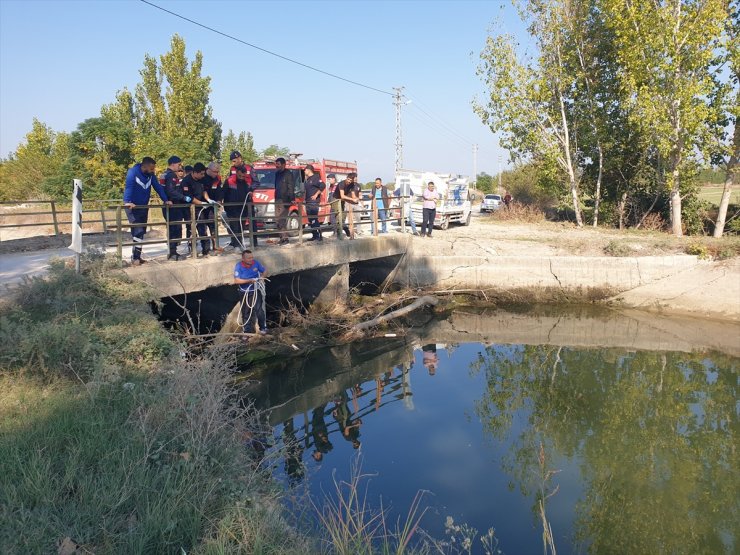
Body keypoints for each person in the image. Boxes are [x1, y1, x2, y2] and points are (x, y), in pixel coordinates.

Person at [123, 157, 171, 265]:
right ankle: (135, 257)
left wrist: (166, 200)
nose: (153, 170)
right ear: (144, 166)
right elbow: (129, 187)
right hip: (132, 206)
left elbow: (158, 187)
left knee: (141, 232)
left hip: (143, 206)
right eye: (151, 168)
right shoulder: (133, 172)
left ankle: (137, 257)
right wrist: (127, 201)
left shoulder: (150, 176)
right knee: (137, 231)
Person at [233, 249, 268, 335]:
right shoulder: (238, 266)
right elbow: (236, 281)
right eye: (248, 258)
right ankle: (247, 332)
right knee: (246, 312)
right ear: (243, 259)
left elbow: (264, 270)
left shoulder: (256, 263)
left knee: (259, 310)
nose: (251, 259)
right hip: (244, 292)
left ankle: (263, 328)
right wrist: (249, 280)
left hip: (255, 290)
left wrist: (262, 278)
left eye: (252, 257)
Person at [180, 162, 211, 256]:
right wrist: (201, 203)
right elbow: (189, 197)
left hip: (199, 208)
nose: (203, 175)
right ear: (195, 172)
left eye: (203, 174)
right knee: (191, 229)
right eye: (201, 174)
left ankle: (206, 250)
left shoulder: (202, 179)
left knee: (202, 228)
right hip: (189, 208)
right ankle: (193, 250)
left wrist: (208, 199)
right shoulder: (186, 181)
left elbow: (204, 190)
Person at [159, 155, 187, 261]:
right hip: (173, 205)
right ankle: (172, 253)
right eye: (179, 164)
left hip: (167, 204)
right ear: (173, 164)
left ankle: (172, 251)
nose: (180, 166)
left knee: (172, 228)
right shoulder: (171, 176)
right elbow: (171, 191)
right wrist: (183, 197)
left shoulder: (164, 174)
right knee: (174, 228)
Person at [225, 164, 257, 249]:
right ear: (237, 173)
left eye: (243, 176)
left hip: (243, 208)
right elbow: (223, 192)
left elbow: (248, 192)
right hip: (232, 208)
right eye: (240, 175)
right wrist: (220, 201)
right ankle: (235, 245)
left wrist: (250, 194)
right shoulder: (229, 181)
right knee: (234, 226)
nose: (241, 177)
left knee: (241, 227)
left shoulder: (246, 183)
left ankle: (240, 243)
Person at [202, 161, 224, 253]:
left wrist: (219, 200)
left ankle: (215, 246)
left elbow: (219, 190)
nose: (216, 173)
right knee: (202, 228)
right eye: (215, 171)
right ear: (209, 169)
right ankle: (205, 249)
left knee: (213, 226)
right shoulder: (202, 177)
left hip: (213, 205)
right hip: (203, 205)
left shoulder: (217, 178)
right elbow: (201, 190)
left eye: (217, 172)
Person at [274, 157, 295, 245]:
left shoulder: (288, 174)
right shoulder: (277, 174)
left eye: (278, 164)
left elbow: (291, 187)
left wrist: (292, 199)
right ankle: (281, 238)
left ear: (283, 164)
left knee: (282, 219)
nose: (277, 166)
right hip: (277, 199)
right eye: (276, 164)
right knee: (277, 220)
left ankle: (285, 239)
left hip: (285, 200)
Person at [304, 164, 325, 241]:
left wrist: (316, 194)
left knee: (314, 219)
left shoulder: (316, 178)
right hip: (308, 201)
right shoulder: (308, 179)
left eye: (305, 170)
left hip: (313, 202)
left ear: (309, 170)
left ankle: (320, 235)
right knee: (310, 220)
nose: (304, 171)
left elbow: (323, 185)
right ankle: (314, 235)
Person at [336, 173, 360, 239]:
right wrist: (352, 199)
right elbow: (342, 196)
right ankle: (340, 234)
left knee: (342, 218)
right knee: (337, 218)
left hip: (343, 201)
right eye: (348, 179)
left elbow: (353, 195)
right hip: (336, 199)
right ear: (346, 178)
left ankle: (346, 231)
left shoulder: (352, 184)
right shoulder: (342, 183)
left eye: (351, 180)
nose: (349, 181)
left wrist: (356, 199)